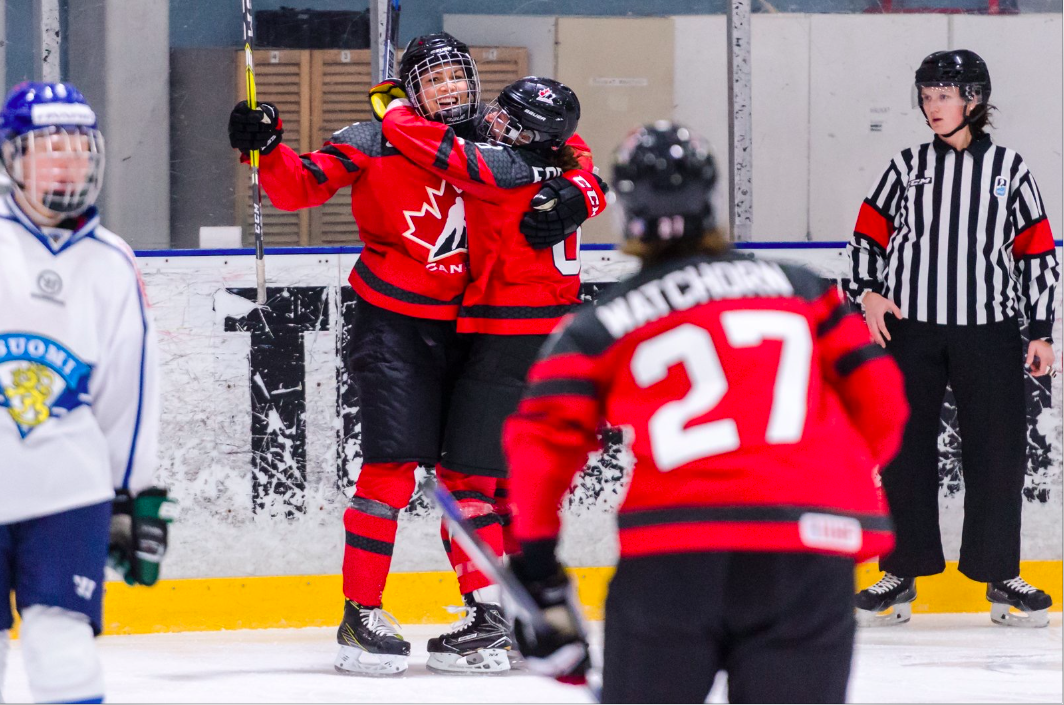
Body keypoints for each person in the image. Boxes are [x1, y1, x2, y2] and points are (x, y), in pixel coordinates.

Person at [501, 121, 910, 703]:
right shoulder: (802, 289)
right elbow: (884, 402)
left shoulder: (601, 322)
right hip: (807, 551)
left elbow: (541, 440)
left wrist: (539, 566)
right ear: (709, 197)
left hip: (673, 553)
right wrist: (820, 481)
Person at [229, 33, 593, 676]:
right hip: (394, 327)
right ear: (411, 89)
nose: (449, 88)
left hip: (475, 331)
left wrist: (582, 192)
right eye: (433, 80)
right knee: (392, 470)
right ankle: (360, 615)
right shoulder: (372, 137)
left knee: (475, 480)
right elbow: (299, 189)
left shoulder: (500, 132)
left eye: (457, 76)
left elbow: (567, 144)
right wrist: (265, 148)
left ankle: (488, 616)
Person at [375, 76, 606, 673]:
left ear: (534, 136)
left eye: (510, 119)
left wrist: (395, 100)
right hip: (549, 341)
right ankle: (521, 612)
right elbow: (579, 156)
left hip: (509, 340)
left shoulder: (499, 170)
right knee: (503, 490)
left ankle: (492, 622)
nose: (496, 122)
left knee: (462, 485)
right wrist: (589, 186)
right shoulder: (556, 163)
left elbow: (417, 139)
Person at [849, 50, 1059, 628]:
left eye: (942, 95)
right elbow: (867, 234)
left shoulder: (1011, 170)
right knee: (904, 450)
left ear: (974, 99)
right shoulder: (906, 166)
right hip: (910, 331)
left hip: (990, 331)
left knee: (997, 455)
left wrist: (1040, 331)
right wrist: (867, 292)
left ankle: (1000, 574)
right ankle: (901, 571)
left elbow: (1037, 257)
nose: (930, 106)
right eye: (925, 95)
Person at [0, 82, 172, 704]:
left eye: (78, 149)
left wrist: (129, 493)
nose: (68, 163)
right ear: (13, 158)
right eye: (51, 150)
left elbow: (127, 389)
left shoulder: (110, 262)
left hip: (68, 491)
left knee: (63, 649)